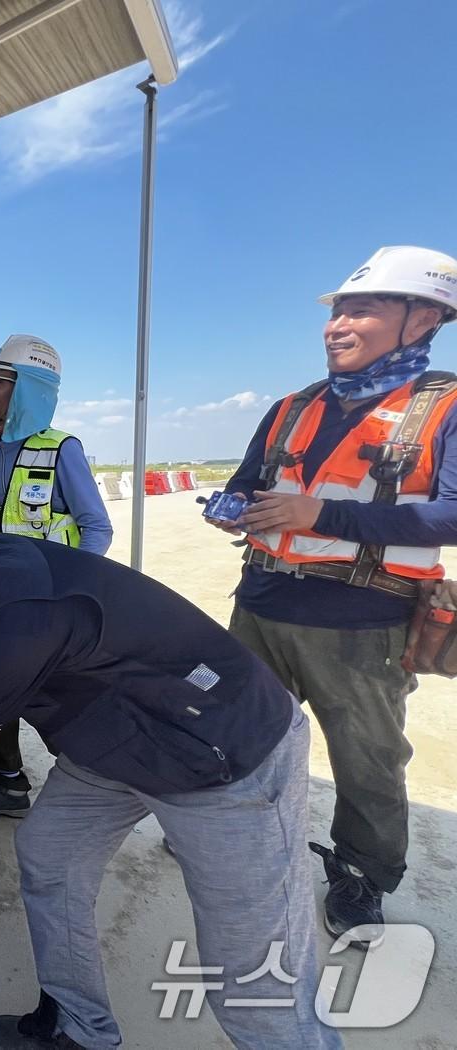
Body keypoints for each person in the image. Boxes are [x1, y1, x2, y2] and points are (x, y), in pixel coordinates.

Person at [0, 491, 338, 1050]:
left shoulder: (12, 618)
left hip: (221, 751)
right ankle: (80, 1029)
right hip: (119, 734)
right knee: (50, 855)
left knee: (251, 974)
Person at [212, 245, 457, 945]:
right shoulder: (291, 407)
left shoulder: (445, 406)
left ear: (423, 319)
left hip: (363, 622)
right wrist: (232, 505)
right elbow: (245, 481)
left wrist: (321, 515)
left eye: (362, 308)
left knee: (367, 758)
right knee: (240, 733)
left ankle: (362, 872)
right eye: (337, 310)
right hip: (260, 605)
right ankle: (233, 835)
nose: (336, 324)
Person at [0, 336, 113, 822]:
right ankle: (8, 784)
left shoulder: (61, 449)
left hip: (49, 607)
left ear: (27, 391)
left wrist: (67, 589)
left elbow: (97, 528)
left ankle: (91, 791)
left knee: (60, 705)